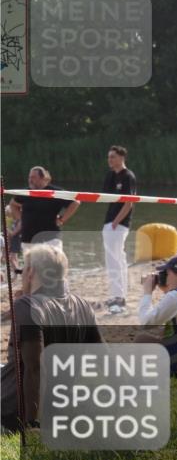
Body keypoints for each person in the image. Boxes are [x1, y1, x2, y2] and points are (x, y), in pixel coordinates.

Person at [1, 245, 102, 433]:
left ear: (30, 272)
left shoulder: (26, 306)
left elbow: (35, 368)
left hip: (12, 411)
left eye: (22, 270)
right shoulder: (84, 306)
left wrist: (32, 424)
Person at [102, 145, 137, 315]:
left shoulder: (128, 176)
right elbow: (105, 196)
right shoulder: (111, 175)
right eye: (109, 157)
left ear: (122, 157)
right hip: (109, 221)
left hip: (118, 223)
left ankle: (119, 298)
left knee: (114, 260)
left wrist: (116, 221)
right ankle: (119, 295)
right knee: (118, 260)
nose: (110, 160)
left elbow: (129, 203)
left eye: (113, 157)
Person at [8, 166, 79, 250]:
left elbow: (75, 202)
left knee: (52, 262)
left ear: (43, 178)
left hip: (50, 238)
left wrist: (62, 220)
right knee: (31, 263)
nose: (30, 180)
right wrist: (21, 218)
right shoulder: (26, 193)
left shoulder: (55, 192)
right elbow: (13, 204)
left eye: (33, 177)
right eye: (29, 177)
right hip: (28, 238)